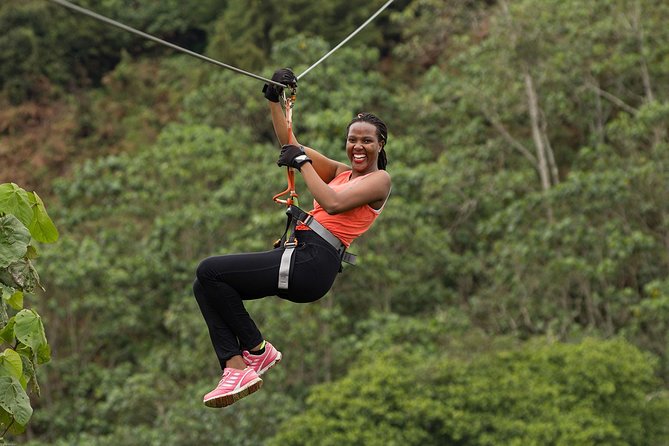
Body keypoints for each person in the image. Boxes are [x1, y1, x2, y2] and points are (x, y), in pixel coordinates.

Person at [192, 68, 391, 408]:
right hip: (302, 255)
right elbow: (291, 144)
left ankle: (257, 350)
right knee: (205, 284)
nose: (358, 147)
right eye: (352, 140)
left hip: (313, 263)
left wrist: (303, 164)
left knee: (209, 270)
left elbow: (332, 202)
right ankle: (236, 366)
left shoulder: (380, 180)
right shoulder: (341, 172)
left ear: (380, 145)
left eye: (367, 141)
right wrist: (274, 99)